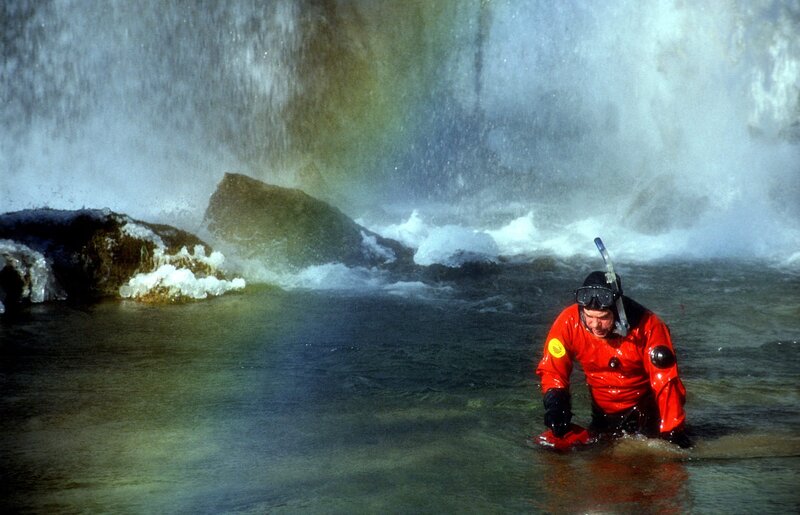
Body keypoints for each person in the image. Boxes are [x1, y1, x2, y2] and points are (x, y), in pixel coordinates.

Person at [535, 271, 692, 448]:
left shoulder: (648, 326)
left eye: (603, 318)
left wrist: (672, 432)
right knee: (552, 448)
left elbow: (666, 383)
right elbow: (552, 370)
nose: (595, 325)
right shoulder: (568, 322)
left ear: (618, 312)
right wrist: (556, 409)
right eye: (589, 317)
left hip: (644, 412)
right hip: (602, 413)